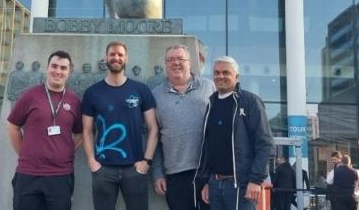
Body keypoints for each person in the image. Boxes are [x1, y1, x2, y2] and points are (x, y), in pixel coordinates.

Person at [81, 41, 159, 210]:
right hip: (103, 169)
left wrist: (146, 161)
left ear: (126, 59)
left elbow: (153, 128)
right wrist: (91, 161)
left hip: (135, 168)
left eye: (120, 55)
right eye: (112, 54)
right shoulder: (92, 92)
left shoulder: (141, 90)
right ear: (106, 58)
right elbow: (87, 131)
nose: (116, 57)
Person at [7, 50, 83, 210]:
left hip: (60, 175)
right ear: (47, 68)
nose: (58, 71)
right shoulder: (30, 95)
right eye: (54, 66)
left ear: (69, 72)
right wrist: (25, 152)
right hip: (28, 174)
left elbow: (80, 133)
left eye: (63, 68)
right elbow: (13, 126)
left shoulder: (74, 101)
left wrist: (65, 150)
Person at [197, 56, 274, 210]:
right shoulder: (211, 104)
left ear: (236, 77)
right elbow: (208, 146)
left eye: (226, 72)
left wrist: (255, 180)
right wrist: (206, 181)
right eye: (217, 73)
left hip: (241, 185)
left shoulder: (250, 102)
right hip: (214, 183)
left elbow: (265, 144)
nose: (220, 76)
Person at [150, 44, 215, 210]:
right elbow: (154, 138)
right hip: (175, 174)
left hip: (208, 171)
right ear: (165, 64)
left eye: (180, 59)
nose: (175, 63)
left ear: (190, 63)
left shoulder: (209, 88)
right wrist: (157, 173)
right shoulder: (156, 95)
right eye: (171, 60)